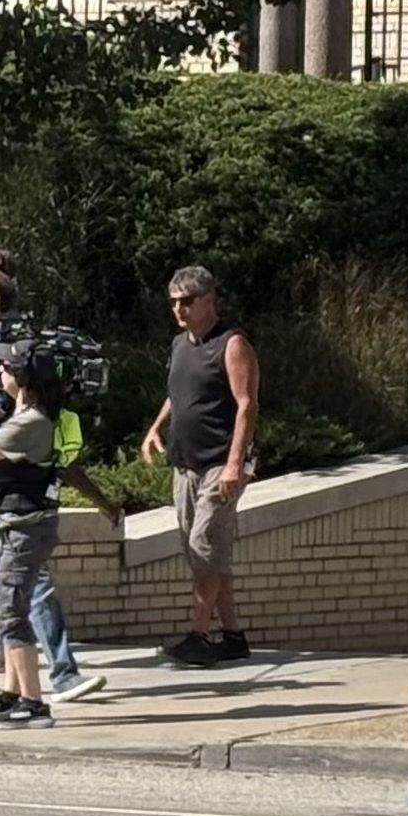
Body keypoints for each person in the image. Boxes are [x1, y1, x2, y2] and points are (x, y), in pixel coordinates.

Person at [141, 265, 260, 668]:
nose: (179, 309)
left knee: (203, 546)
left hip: (219, 464)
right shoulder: (180, 345)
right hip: (185, 464)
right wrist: (156, 427)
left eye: (188, 301)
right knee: (207, 553)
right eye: (174, 302)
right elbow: (178, 394)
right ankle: (233, 637)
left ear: (209, 300)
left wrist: (234, 464)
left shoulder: (232, 344)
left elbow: (246, 404)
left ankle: (199, 636)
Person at [0, 339, 74, 729]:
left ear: (23, 378)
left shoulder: (31, 421)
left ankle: (33, 702)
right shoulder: (25, 416)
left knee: (11, 613)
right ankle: (10, 691)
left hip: (24, 529)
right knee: (8, 607)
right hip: (17, 526)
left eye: (6, 367)